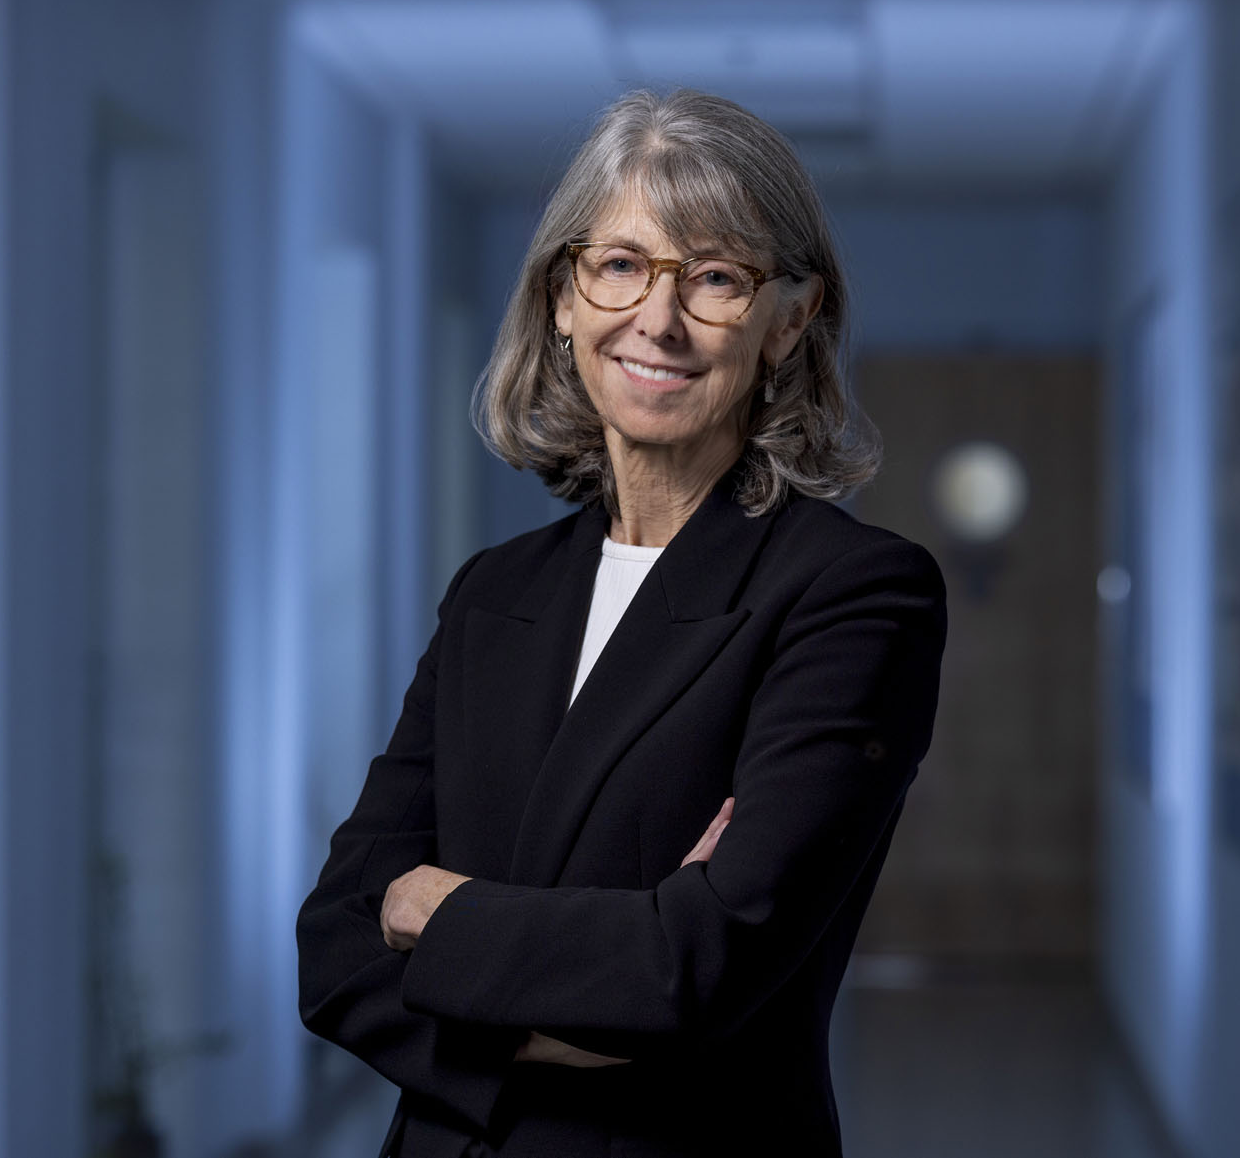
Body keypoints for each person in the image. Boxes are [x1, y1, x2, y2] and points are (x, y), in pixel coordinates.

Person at [295, 88, 948, 1158]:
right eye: (621, 265)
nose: (659, 318)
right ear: (563, 296)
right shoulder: (493, 594)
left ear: (787, 321)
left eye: (717, 279)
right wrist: (592, 1003)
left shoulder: (854, 595)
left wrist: (443, 919)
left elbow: (696, 968)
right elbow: (334, 943)